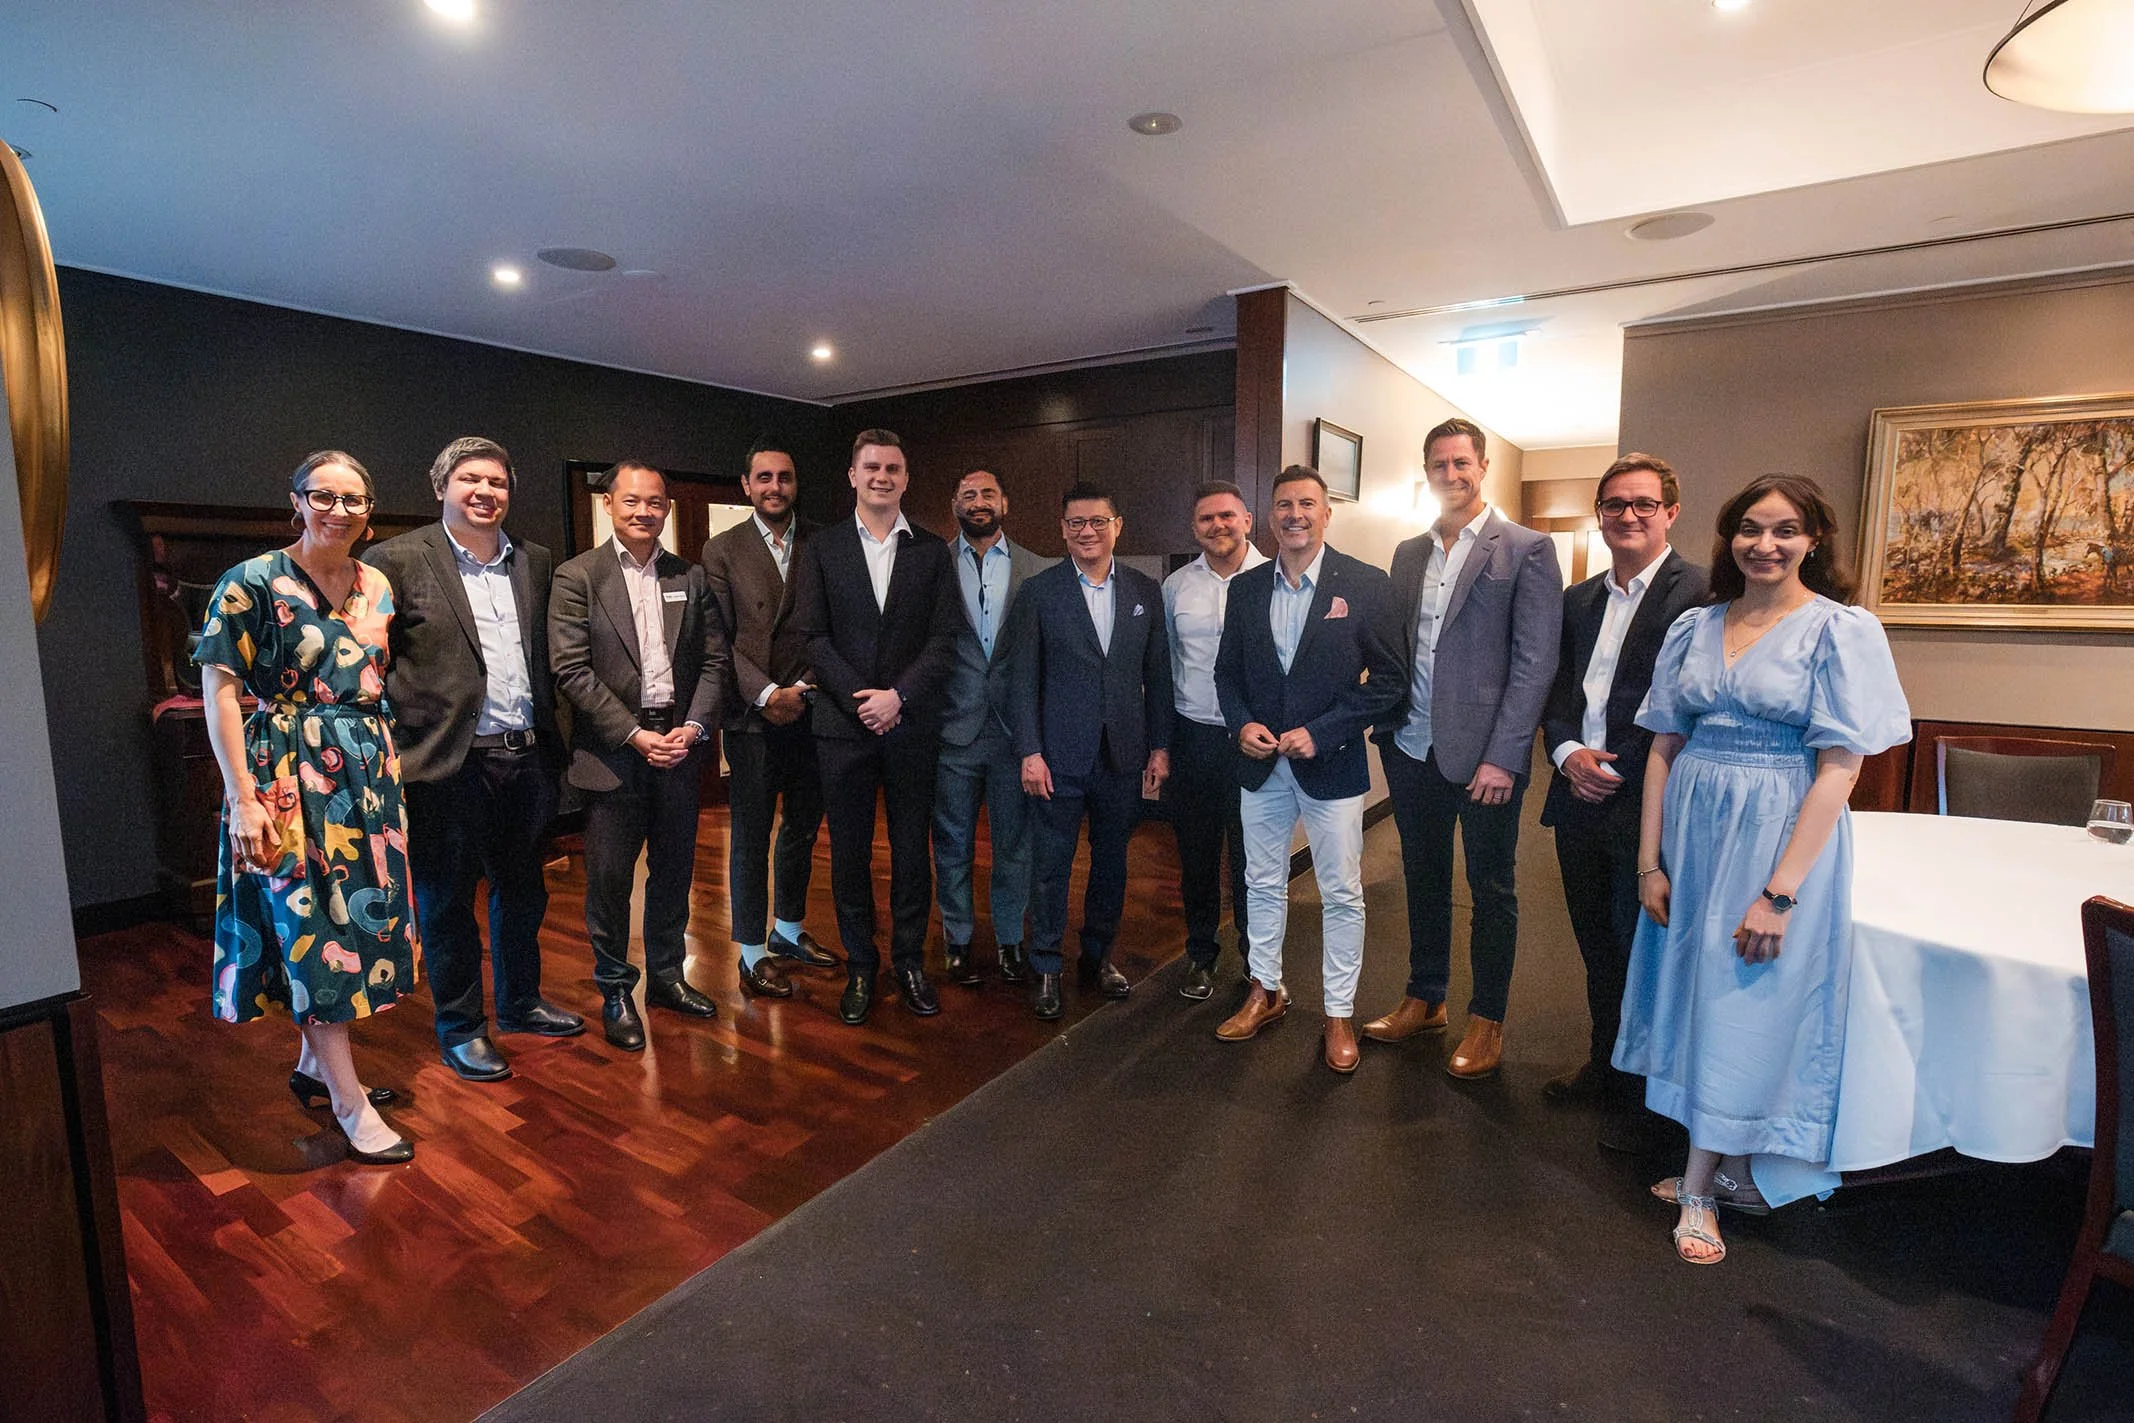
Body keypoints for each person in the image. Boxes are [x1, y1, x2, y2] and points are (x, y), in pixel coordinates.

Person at [1618, 474, 1910, 1265]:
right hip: (1696, 833)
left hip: (1779, 835)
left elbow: (1840, 770)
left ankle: (1702, 1182)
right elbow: (1663, 747)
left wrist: (1779, 892)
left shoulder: (1841, 631)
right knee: (1700, 998)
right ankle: (1733, 1165)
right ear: (1729, 536)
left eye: (1786, 529)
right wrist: (1651, 861)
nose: (1765, 544)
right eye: (1750, 527)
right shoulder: (1695, 625)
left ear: (1816, 538)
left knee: (1749, 1001)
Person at [195, 450, 419, 1164]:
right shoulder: (250, 583)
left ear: (370, 511)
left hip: (369, 775)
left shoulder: (377, 583)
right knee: (311, 924)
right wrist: (242, 798)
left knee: (357, 920)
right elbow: (221, 689)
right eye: (324, 496)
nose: (339, 510)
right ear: (296, 501)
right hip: (288, 774)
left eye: (354, 499)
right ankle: (351, 1106)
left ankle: (315, 1065)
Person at [366, 436, 581, 1086]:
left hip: (527, 755)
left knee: (523, 889)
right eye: (470, 479)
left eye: (497, 481)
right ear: (441, 488)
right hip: (446, 765)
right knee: (447, 899)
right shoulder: (394, 559)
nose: (486, 491)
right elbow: (371, 661)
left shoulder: (536, 561)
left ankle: (520, 1003)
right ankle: (462, 1029)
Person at [1366, 417, 1561, 1078]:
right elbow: (1398, 649)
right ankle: (1426, 996)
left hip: (1485, 760)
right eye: (1438, 465)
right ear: (1427, 473)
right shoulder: (1408, 552)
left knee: (1490, 885)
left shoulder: (1527, 549)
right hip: (1412, 747)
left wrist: (1506, 756)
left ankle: (1487, 1018)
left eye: (1461, 463)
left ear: (1482, 468)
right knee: (1421, 877)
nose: (1450, 475)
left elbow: (1534, 664)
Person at [1537, 454, 1707, 1148]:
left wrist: (1620, 769)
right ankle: (1606, 1064)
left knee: (1650, 951)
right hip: (1579, 799)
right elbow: (1556, 693)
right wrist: (1568, 754)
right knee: (1596, 944)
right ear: (1599, 514)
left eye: (1642, 503)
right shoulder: (1577, 600)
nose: (1627, 516)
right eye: (1613, 505)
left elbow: (1692, 709)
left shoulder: (1701, 594)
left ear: (1671, 510)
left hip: (1654, 807)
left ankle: (1651, 1097)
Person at [1212, 466, 1402, 1071]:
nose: (1295, 514)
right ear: (1269, 518)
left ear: (1327, 514)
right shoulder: (1245, 589)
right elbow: (1227, 675)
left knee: (1342, 892)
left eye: (1307, 505)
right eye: (1284, 505)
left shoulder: (1366, 584)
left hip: (1334, 766)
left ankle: (1338, 1013)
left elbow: (1390, 683)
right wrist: (1241, 723)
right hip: (1260, 768)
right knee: (1261, 882)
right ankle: (1265, 990)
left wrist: (1321, 733)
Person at [549, 461, 730, 1052]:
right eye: (630, 501)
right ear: (609, 505)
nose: (642, 512)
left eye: (654, 502)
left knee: (675, 872)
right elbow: (570, 670)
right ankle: (614, 989)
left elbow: (713, 662)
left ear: (667, 510)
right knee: (608, 881)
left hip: (678, 747)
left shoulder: (691, 576)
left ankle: (668, 977)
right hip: (612, 753)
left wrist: (695, 727)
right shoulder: (578, 576)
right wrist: (632, 734)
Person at [787, 429, 961, 1025]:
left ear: (906, 479)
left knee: (914, 850)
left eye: (893, 467)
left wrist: (898, 697)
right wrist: (863, 700)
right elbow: (812, 637)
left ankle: (909, 960)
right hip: (843, 726)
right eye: (872, 467)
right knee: (850, 854)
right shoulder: (823, 548)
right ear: (853, 476)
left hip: (911, 725)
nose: (882, 476)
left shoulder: (933, 551)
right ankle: (861, 964)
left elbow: (944, 640)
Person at [1004, 481, 1172, 1020]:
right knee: (1051, 865)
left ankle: (1097, 957)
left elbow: (1159, 678)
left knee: (1111, 865)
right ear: (1063, 530)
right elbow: (1020, 680)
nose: (1087, 532)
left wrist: (1160, 748)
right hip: (1056, 758)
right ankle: (1047, 964)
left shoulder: (1147, 590)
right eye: (1076, 523)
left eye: (1098, 521)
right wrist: (1029, 750)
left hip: (1123, 756)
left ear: (1117, 526)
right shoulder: (1039, 592)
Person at [702, 440, 837, 1001]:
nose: (774, 487)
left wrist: (803, 688)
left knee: (803, 827)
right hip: (753, 715)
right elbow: (718, 637)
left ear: (795, 483)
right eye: (764, 478)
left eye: (784, 477)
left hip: (812, 706)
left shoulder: (824, 542)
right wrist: (766, 693)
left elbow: (833, 624)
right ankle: (751, 952)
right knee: (752, 835)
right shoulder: (721, 550)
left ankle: (787, 930)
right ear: (746, 485)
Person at [932, 466, 1052, 987]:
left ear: (1005, 502)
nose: (978, 502)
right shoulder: (931, 563)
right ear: (954, 504)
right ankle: (957, 939)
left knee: (1014, 845)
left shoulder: (1040, 569)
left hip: (1014, 733)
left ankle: (1009, 938)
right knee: (951, 842)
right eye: (967, 494)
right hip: (951, 728)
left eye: (987, 493)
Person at [1161, 479, 1268, 1000]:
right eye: (1206, 519)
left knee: (1255, 861)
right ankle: (1201, 956)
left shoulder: (1277, 580)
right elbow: (1165, 668)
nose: (1217, 525)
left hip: (1255, 742)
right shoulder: (1177, 586)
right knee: (1198, 858)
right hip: (1194, 739)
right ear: (1194, 528)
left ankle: (1258, 964)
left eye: (1227, 515)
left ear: (1247, 519)